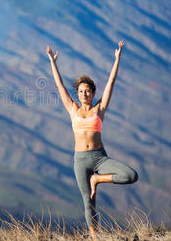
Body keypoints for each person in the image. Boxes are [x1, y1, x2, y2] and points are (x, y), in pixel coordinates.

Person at [46, 41, 138, 239]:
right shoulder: (73, 109)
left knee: (131, 175)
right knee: (88, 202)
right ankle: (94, 236)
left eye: (87, 91)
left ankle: (97, 179)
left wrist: (117, 59)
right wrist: (52, 62)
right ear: (77, 94)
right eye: (80, 91)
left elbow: (111, 82)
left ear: (93, 92)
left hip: (100, 159)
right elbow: (59, 85)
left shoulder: (100, 109)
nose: (84, 94)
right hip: (80, 161)